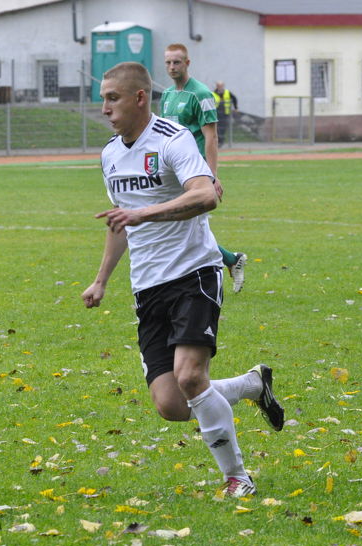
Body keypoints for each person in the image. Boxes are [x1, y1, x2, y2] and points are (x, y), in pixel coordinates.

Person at [82, 61, 283, 498]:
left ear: (139, 98)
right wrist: (100, 280)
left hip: (194, 272)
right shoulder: (110, 154)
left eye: (112, 98)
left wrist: (144, 212)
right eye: (102, 99)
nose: (104, 108)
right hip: (147, 285)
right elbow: (120, 223)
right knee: (172, 405)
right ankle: (252, 385)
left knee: (192, 378)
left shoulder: (172, 139)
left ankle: (237, 478)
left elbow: (206, 194)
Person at [160, 44, 247, 293]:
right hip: (172, 171)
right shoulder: (166, 96)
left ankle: (220, 265)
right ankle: (230, 260)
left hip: (193, 173)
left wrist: (211, 176)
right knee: (183, 227)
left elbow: (211, 137)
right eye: (168, 62)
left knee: (185, 226)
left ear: (187, 63)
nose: (172, 67)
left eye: (176, 62)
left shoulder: (201, 94)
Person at [213, 81, 238, 147]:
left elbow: (234, 98)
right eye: (219, 85)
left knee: (223, 128)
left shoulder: (227, 92)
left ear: (223, 86)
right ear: (217, 86)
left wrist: (236, 108)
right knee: (217, 128)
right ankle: (218, 141)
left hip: (225, 113)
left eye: (221, 85)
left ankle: (221, 141)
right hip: (216, 113)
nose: (220, 87)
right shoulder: (213, 93)